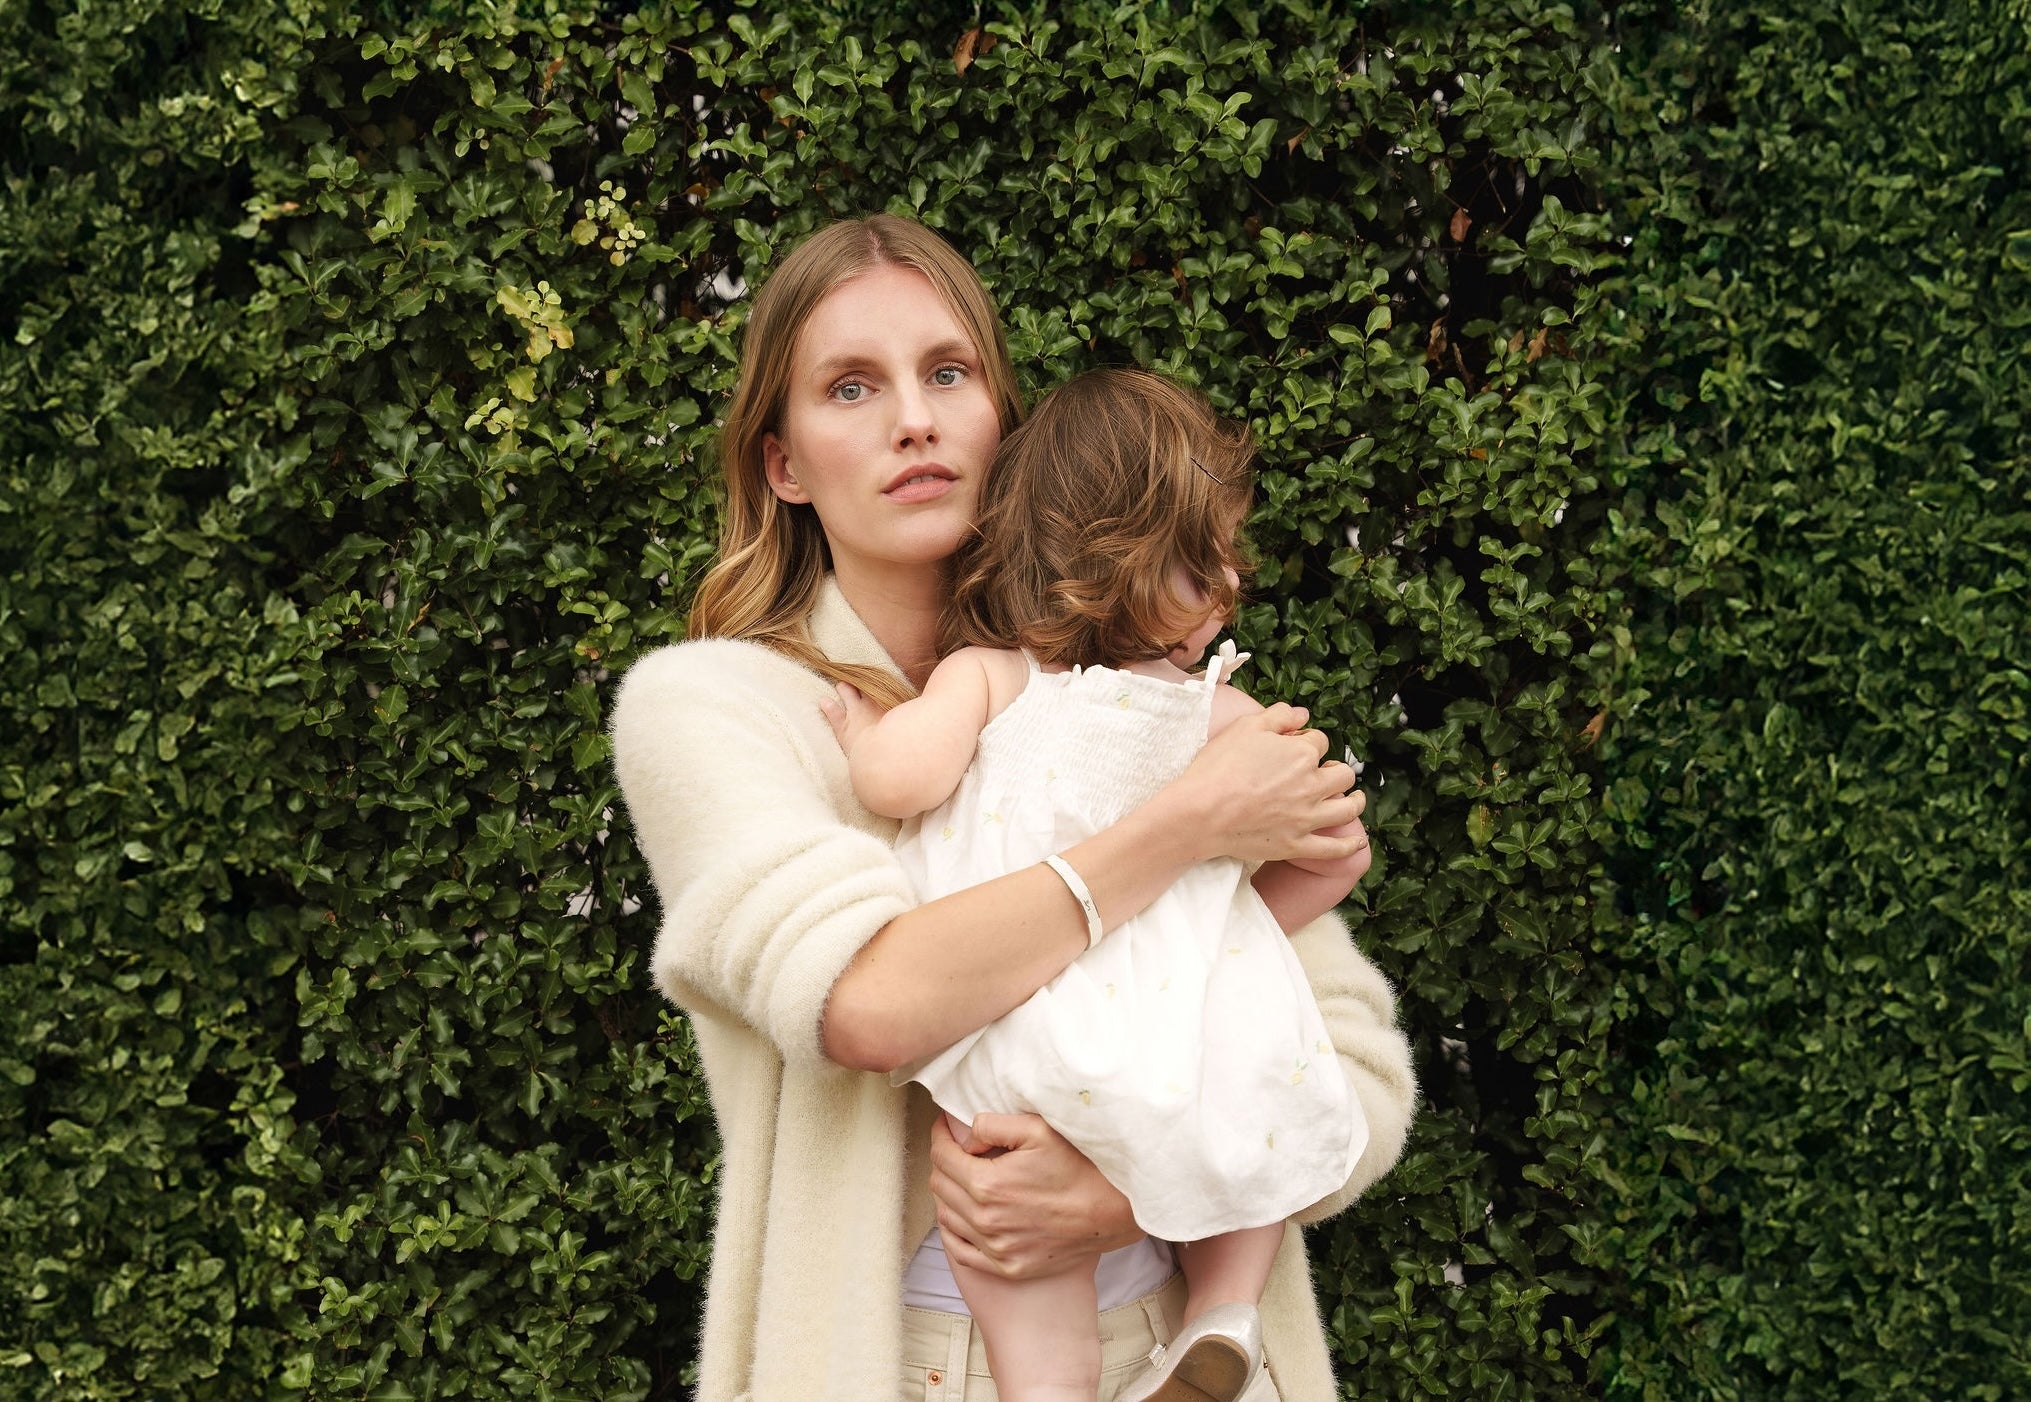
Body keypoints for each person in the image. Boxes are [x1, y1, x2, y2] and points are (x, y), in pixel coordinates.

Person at [609, 214, 1416, 1402]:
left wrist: (1125, 1189)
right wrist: (1190, 825)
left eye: (948, 372)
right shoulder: (717, 711)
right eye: (850, 386)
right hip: (899, 1366)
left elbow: (1352, 1065)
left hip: (1191, 1350)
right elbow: (868, 1002)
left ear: (1009, 423)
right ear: (783, 463)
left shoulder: (1146, 696)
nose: (915, 419)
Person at [826, 367, 1374, 1402]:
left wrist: (860, 726)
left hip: (1025, 1031)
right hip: (1169, 1043)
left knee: (1007, 1233)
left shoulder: (995, 672)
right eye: (1197, 557)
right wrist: (1220, 944)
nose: (1228, 583)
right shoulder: (1216, 711)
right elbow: (1340, 848)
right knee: (1251, 1101)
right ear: (1108, 556)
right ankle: (1222, 1316)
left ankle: (1051, 1390)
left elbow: (902, 776)